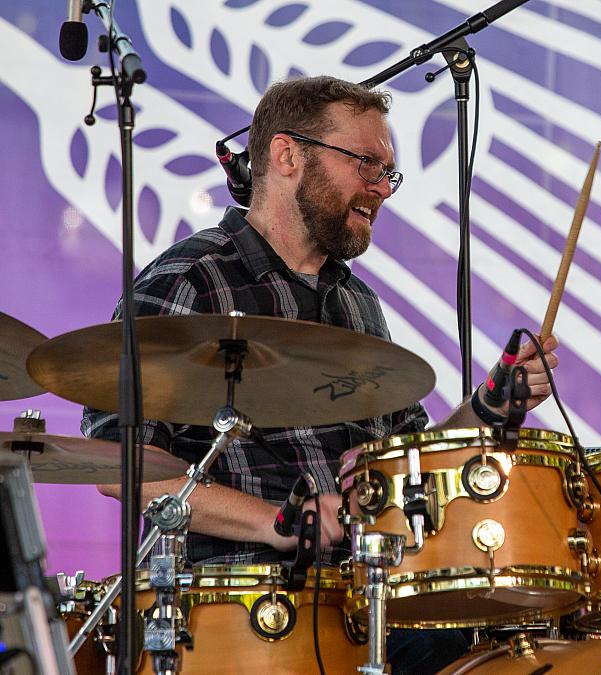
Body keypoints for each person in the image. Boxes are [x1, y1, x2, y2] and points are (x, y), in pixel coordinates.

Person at [83, 75, 560, 673]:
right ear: (287, 156)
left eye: (388, 172)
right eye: (365, 163)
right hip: (238, 618)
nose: (381, 187)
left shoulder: (356, 305)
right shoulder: (188, 282)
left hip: (363, 605)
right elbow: (119, 467)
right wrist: (280, 522)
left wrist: (492, 404)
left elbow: (405, 454)